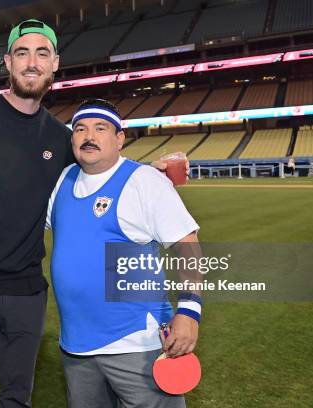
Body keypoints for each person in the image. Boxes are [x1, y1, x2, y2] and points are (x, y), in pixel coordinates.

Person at [0, 19, 183, 408]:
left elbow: (101, 163)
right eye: (22, 53)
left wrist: (148, 170)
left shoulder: (59, 137)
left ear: (55, 63)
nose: (31, 63)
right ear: (8, 62)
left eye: (41, 53)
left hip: (25, 293)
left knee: (18, 399)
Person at [47, 99, 201, 408]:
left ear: (119, 138)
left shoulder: (145, 182)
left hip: (136, 344)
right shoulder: (63, 180)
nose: (89, 136)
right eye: (80, 129)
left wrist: (189, 310)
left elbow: (188, 245)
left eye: (100, 128)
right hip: (76, 348)